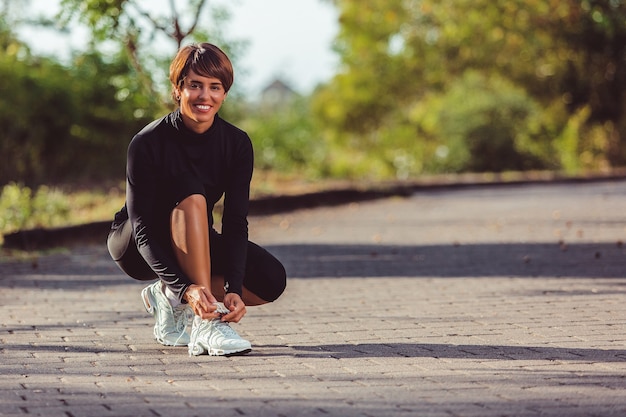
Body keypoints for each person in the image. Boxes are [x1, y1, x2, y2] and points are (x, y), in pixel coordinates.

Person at [106, 42, 287, 357]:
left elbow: (234, 222)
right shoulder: (147, 143)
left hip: (194, 236)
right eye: (195, 85)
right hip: (137, 243)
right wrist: (186, 286)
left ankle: (168, 296)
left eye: (215, 87)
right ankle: (207, 324)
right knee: (191, 190)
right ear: (178, 89)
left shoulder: (237, 144)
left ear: (225, 93)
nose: (206, 96)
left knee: (271, 278)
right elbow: (143, 226)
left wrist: (232, 287)